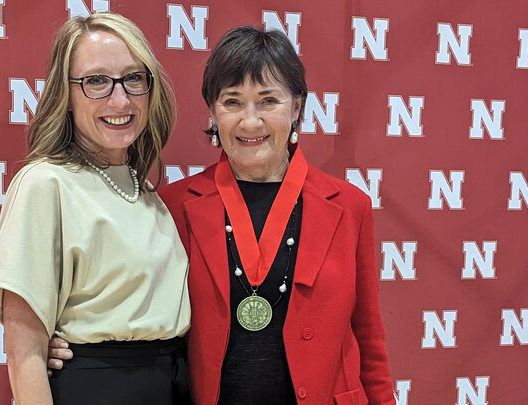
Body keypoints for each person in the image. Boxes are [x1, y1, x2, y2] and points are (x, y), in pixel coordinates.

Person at [50, 25, 395, 404]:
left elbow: (370, 341)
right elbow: (139, 310)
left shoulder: (348, 206)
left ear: (296, 107)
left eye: (268, 101)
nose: (250, 122)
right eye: (232, 102)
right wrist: (70, 346)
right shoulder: (173, 206)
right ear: (213, 111)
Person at [0, 13, 191, 405]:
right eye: (96, 81)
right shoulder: (44, 184)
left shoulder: (147, 193)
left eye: (133, 78)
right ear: (66, 95)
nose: (120, 99)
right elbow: (24, 354)